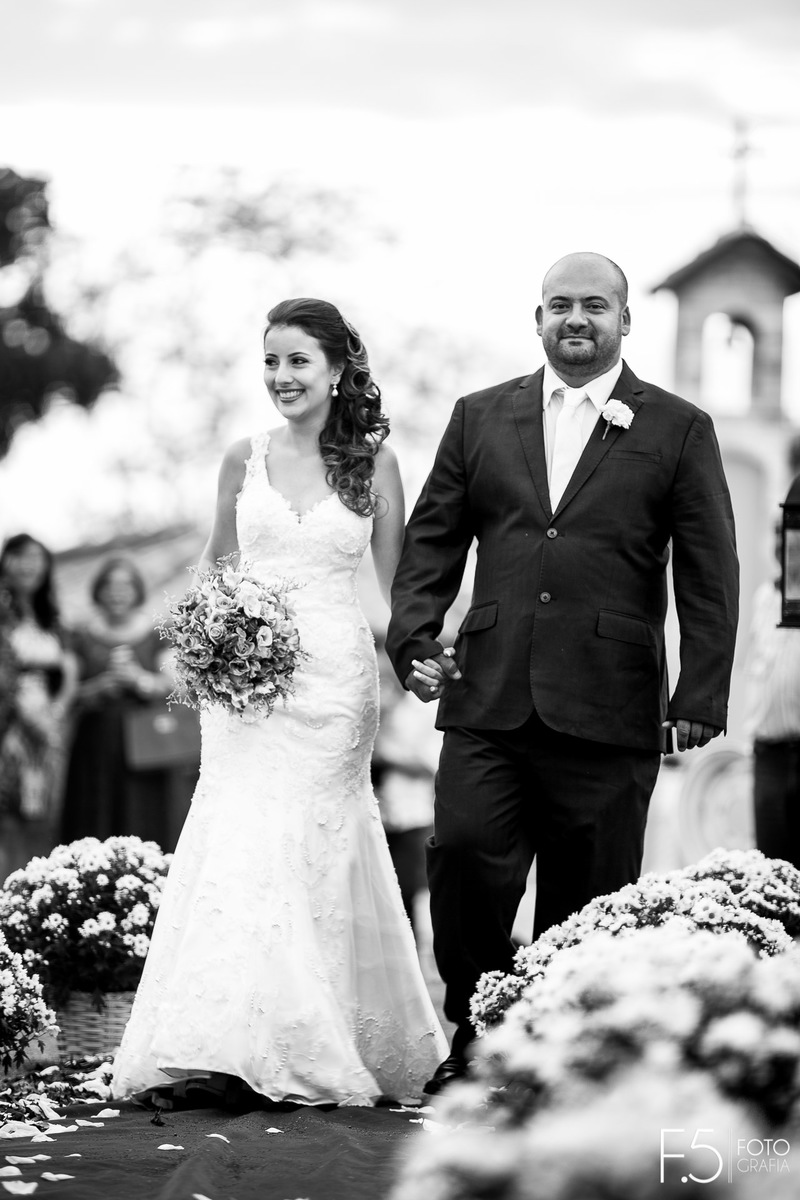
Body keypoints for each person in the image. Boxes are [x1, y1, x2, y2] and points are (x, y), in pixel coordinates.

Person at [386, 251, 739, 1093]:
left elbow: (708, 570)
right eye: (558, 306)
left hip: (611, 704)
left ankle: (560, 1057)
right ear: (536, 319)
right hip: (489, 691)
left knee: (589, 894)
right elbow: (433, 537)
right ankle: (476, 1033)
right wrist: (412, 638)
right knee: (465, 854)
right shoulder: (480, 416)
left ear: (624, 320)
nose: (574, 320)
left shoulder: (679, 427)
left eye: (593, 306)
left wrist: (700, 693)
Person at [111, 298, 446, 1108]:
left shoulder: (375, 466)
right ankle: (225, 1044)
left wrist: (427, 655)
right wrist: (203, 641)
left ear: (337, 369)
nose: (281, 377)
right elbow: (217, 564)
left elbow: (404, 585)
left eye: (298, 360)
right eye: (270, 361)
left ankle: (307, 1036)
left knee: (312, 845)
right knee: (237, 840)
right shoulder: (241, 457)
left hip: (334, 682)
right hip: (243, 690)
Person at [61, 556, 195, 852]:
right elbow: (65, 696)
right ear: (98, 591)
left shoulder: (156, 633)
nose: (116, 592)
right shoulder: (80, 636)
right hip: (95, 746)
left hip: (145, 747)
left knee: (144, 815)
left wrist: (138, 680)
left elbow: (175, 687)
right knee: (94, 814)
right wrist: (100, 687)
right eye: (109, 585)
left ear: (137, 590)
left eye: (124, 585)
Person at [0, 533, 76, 879]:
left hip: (50, 723)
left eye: (37, 557)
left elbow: (68, 671)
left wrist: (57, 712)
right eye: (20, 555)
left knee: (43, 818)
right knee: (10, 813)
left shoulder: (51, 619)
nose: (29, 564)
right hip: (11, 725)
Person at [744, 518, 800, 869]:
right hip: (769, 755)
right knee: (771, 868)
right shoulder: (765, 597)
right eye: (778, 535)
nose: (783, 545)